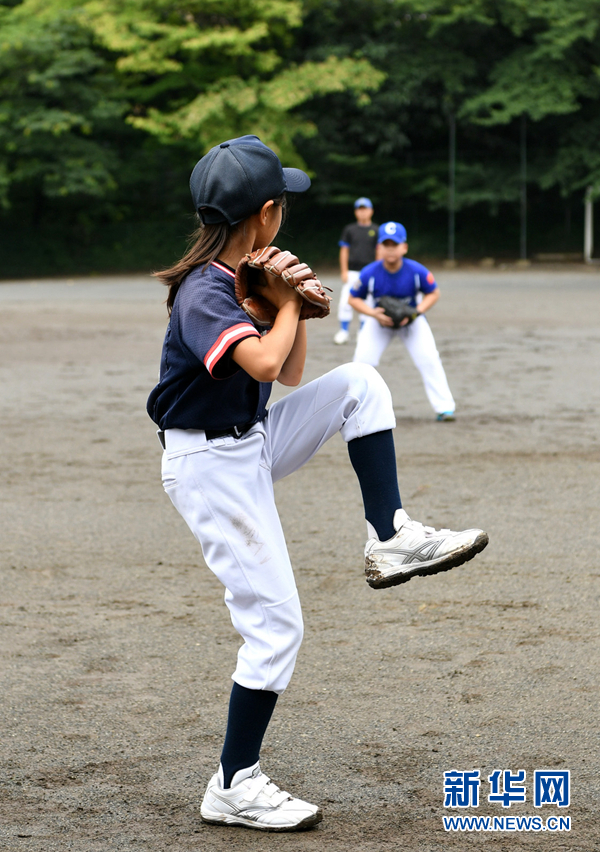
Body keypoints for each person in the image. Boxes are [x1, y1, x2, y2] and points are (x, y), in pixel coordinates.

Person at [146, 137, 488, 832]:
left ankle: (390, 535)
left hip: (247, 444)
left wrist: (286, 302)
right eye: (284, 204)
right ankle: (234, 783)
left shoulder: (237, 274)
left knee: (360, 384)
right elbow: (269, 368)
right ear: (266, 214)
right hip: (209, 467)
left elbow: (294, 373)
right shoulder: (206, 289)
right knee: (276, 628)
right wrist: (288, 304)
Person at [349, 221, 456, 421]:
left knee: (429, 359)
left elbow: (433, 293)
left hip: (412, 323)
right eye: (386, 244)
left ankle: (445, 408)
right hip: (379, 323)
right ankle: (354, 407)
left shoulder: (416, 271)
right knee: (362, 362)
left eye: (395, 244)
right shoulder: (370, 272)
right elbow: (352, 298)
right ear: (379, 247)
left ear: (404, 247)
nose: (391, 249)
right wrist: (373, 314)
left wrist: (416, 312)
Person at [333, 197, 379, 345]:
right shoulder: (350, 230)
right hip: (352, 271)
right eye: (359, 209)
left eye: (365, 209)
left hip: (369, 272)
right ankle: (344, 331)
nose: (362, 212)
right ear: (355, 212)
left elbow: (379, 252)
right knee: (347, 301)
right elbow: (344, 251)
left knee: (367, 301)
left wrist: (377, 271)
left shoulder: (376, 230)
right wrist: (344, 270)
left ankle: (363, 332)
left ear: (371, 211)